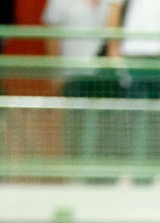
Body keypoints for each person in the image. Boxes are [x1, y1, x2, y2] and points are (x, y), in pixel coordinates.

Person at [105, 0, 160, 172]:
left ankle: (159, 173)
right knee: (130, 117)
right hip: (133, 55)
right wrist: (113, 47)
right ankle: (127, 172)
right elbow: (114, 10)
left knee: (159, 119)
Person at [42, 0, 124, 163]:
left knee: (107, 129)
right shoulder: (59, 3)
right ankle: (76, 177)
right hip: (73, 74)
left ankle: (104, 175)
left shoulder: (115, 3)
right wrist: (56, 73)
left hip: (106, 76)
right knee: (75, 129)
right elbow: (51, 37)